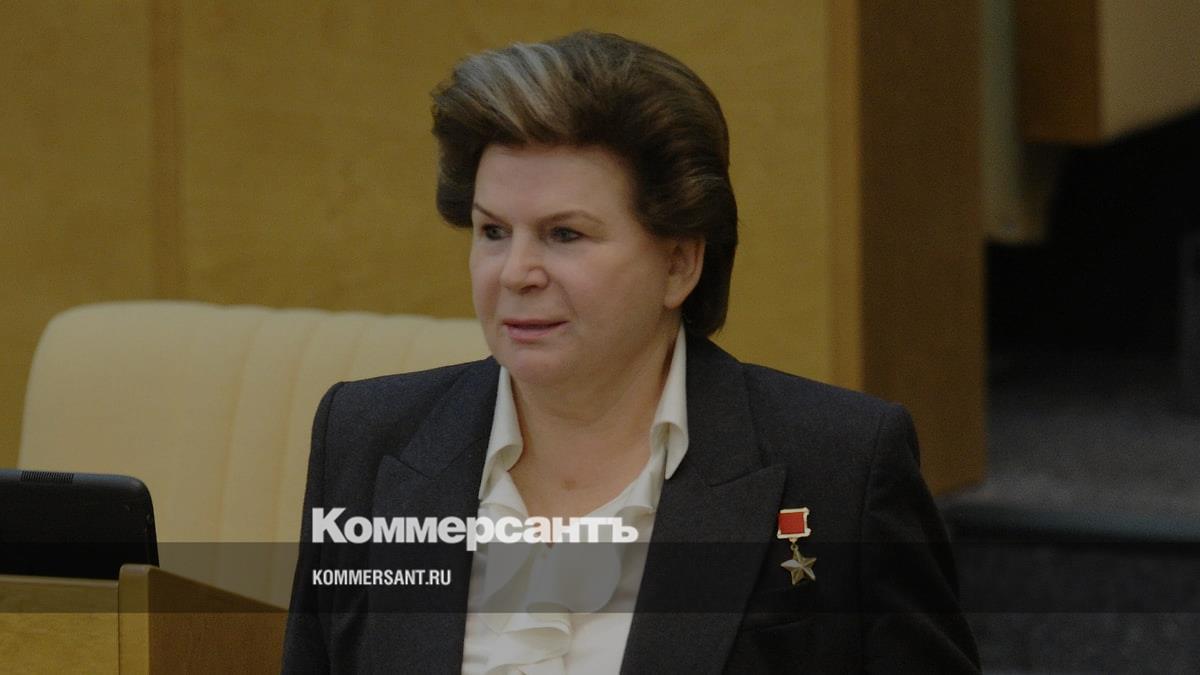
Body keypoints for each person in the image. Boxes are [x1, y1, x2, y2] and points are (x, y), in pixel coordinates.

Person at [283, 30, 980, 673]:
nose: (516, 272)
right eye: (493, 232)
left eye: (565, 235)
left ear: (679, 264)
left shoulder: (841, 468)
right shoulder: (365, 441)